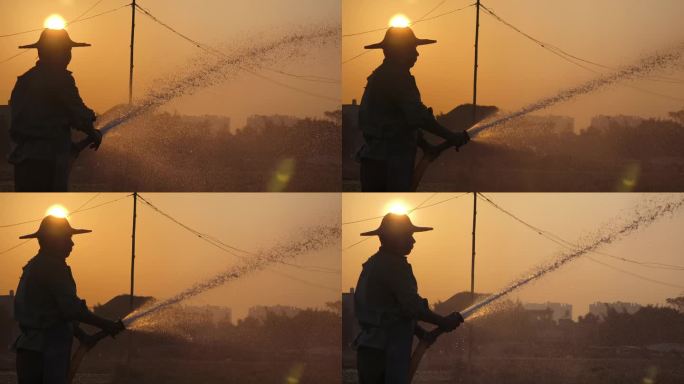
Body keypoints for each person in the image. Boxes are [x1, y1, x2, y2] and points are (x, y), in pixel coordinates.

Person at [354, 213, 464, 384]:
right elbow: (413, 306)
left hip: (370, 351)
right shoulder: (394, 265)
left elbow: (392, 312)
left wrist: (420, 332)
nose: (413, 241)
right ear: (394, 238)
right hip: (387, 352)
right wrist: (443, 322)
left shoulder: (374, 263)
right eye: (408, 236)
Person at [13, 215, 124, 384]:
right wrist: (107, 324)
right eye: (67, 238)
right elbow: (71, 309)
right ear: (52, 241)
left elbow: (53, 312)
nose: (72, 244)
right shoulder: (52, 267)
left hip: (31, 350)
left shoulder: (36, 264)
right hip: (45, 354)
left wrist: (81, 334)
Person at [357, 27, 470, 192]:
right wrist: (451, 136)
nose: (417, 54)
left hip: (374, 159)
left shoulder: (381, 75)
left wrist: (425, 145)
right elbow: (418, 117)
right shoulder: (398, 77)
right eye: (412, 49)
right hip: (391, 162)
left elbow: (398, 121)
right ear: (399, 51)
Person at [8, 28, 102, 192]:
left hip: (23, 161)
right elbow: (78, 113)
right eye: (67, 50)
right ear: (58, 52)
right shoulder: (61, 78)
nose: (69, 55)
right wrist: (93, 132)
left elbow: (20, 124)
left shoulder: (24, 81)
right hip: (50, 162)